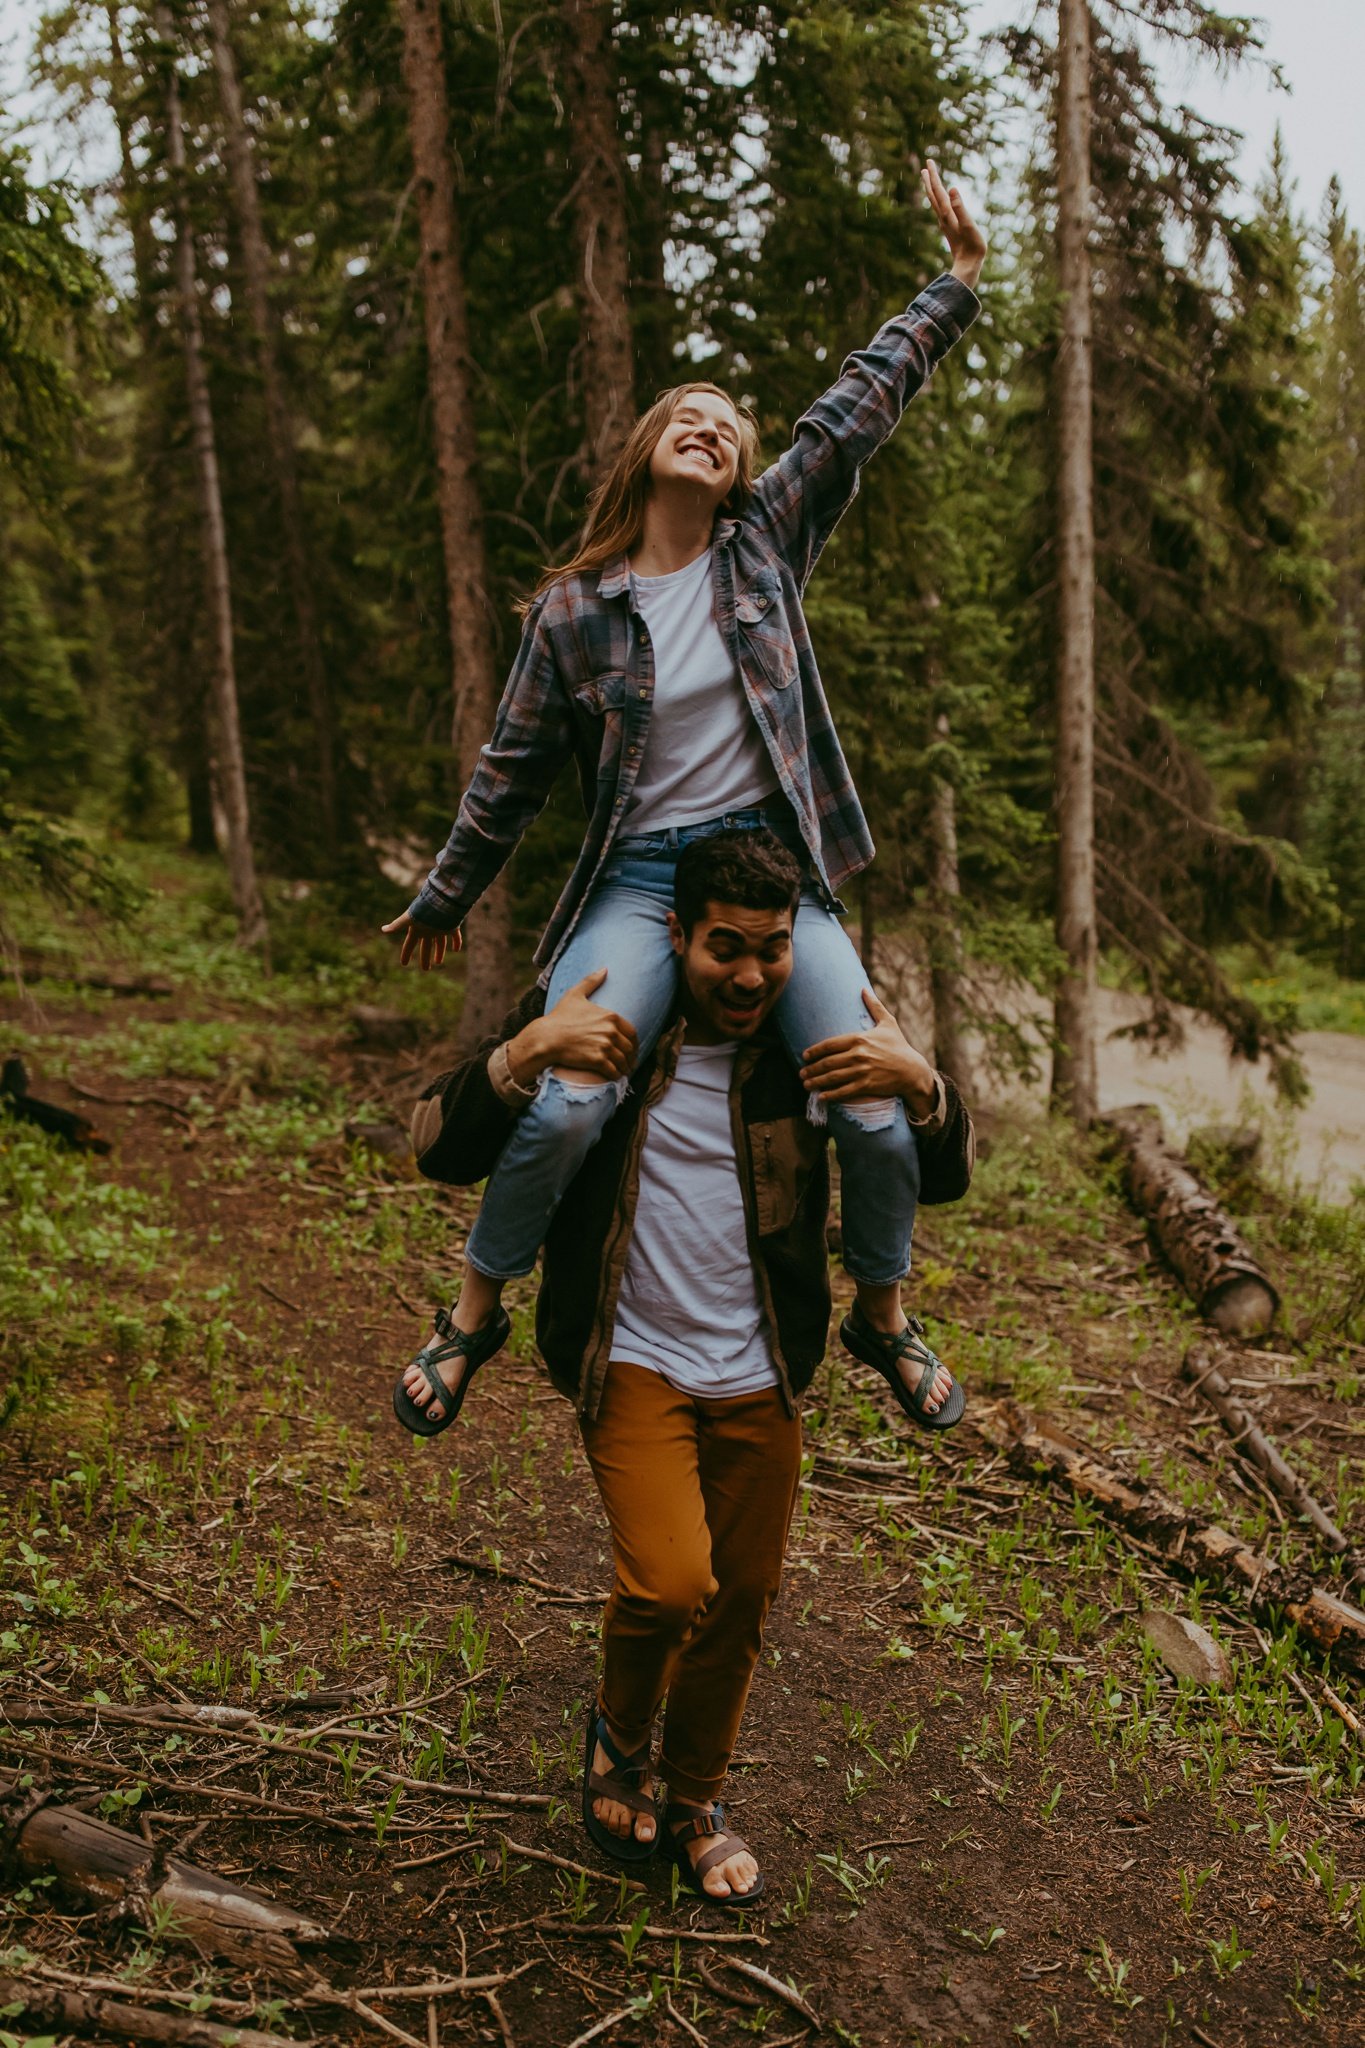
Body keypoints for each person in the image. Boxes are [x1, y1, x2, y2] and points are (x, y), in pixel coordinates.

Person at [384, 164, 986, 1433]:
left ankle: (883, 1315)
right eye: (690, 414)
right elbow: (511, 771)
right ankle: (473, 1310)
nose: (713, 427)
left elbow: (857, 407)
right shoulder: (574, 612)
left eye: (732, 424)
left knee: (875, 1110)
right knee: (571, 1093)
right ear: (649, 445)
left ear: (742, 469)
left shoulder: (762, 547)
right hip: (646, 886)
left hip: (777, 883)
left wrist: (957, 285)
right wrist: (447, 889)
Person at [399, 831, 974, 1905]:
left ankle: (699, 1794)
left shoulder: (810, 1057)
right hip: (635, 1360)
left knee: (742, 1597)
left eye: (770, 949)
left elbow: (929, 1173)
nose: (749, 974)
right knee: (671, 1582)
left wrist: (924, 1083)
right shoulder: (613, 1037)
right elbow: (434, 1141)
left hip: (763, 1369)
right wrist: (525, 1049)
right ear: (677, 932)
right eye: (724, 948)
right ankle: (620, 1739)